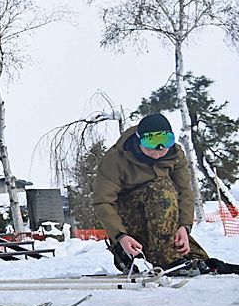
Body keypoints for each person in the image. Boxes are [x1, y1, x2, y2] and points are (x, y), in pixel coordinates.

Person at [92, 113, 238, 275]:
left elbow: (184, 191)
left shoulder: (176, 155)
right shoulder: (116, 159)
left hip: (160, 221)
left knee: (200, 261)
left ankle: (168, 257)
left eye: (165, 143)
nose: (158, 151)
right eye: (150, 144)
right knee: (162, 187)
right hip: (128, 222)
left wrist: (184, 227)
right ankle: (160, 259)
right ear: (139, 140)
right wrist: (120, 236)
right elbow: (103, 202)